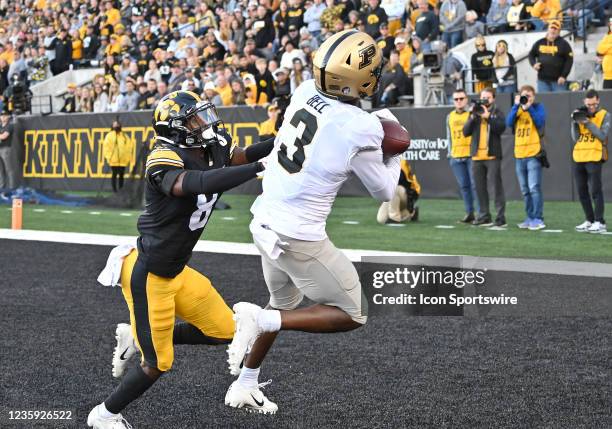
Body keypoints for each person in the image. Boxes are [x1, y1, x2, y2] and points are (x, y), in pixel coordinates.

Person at [223, 29, 401, 414]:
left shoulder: (304, 90)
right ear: (360, 81)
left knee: (282, 302)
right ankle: (258, 320)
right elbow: (385, 192)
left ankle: (246, 381)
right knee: (352, 313)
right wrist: (397, 145)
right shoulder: (361, 126)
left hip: (264, 220)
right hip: (297, 235)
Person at [88, 91, 275, 428]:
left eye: (202, 116)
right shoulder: (162, 156)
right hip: (148, 274)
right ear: (174, 128)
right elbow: (192, 183)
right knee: (157, 363)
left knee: (224, 331)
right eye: (194, 119)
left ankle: (137, 333)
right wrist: (258, 168)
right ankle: (104, 415)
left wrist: (280, 144)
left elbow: (241, 155)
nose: (204, 124)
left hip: (177, 271)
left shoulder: (211, 145)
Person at [463, 87, 507, 227]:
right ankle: (484, 216)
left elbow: (501, 128)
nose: (485, 100)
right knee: (480, 188)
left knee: (496, 187)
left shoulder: (497, 111)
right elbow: (465, 132)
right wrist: (471, 116)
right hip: (476, 156)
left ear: (493, 98)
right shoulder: (475, 111)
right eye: (483, 97)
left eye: (488, 97)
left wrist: (488, 118)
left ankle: (500, 218)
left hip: (492, 155)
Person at [506, 85, 547, 230]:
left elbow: (540, 122)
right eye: (524, 95)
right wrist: (516, 106)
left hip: (533, 153)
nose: (527, 98)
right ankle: (530, 217)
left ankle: (538, 218)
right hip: (519, 154)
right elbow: (509, 123)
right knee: (525, 190)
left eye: (529, 95)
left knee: (534, 187)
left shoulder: (538, 107)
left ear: (534, 96)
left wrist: (529, 107)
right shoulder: (517, 109)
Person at [571, 89, 609, 233]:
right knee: (582, 191)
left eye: (593, 104)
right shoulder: (581, 113)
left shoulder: (605, 115)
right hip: (579, 156)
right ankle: (589, 219)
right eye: (588, 104)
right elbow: (575, 138)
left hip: (594, 156)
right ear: (584, 103)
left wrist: (587, 122)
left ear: (598, 100)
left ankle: (600, 221)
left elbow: (602, 135)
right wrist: (574, 122)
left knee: (595, 190)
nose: (591, 107)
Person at [447, 88, 478, 223]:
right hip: (456, 156)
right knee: (464, 187)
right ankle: (469, 213)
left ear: (466, 100)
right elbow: (448, 136)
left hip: (471, 156)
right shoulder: (449, 116)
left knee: (475, 186)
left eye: (461, 99)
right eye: (456, 99)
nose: (459, 101)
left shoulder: (472, 114)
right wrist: (450, 153)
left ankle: (480, 213)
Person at [528, 21, 573, 92]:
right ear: (548, 29)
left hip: (558, 81)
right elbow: (531, 54)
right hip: (542, 80)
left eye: (555, 29)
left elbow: (569, 61)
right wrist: (533, 64)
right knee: (544, 101)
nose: (553, 30)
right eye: (551, 28)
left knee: (559, 102)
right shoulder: (539, 42)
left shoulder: (564, 44)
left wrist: (564, 76)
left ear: (559, 32)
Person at [376, 159, 421, 224]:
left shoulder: (399, 162)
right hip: (394, 196)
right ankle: (411, 213)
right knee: (381, 219)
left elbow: (397, 182)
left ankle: (394, 218)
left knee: (393, 188)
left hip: (407, 194)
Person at [103, 119, 134, 192]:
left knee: (121, 176)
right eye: (115, 124)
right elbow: (106, 148)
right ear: (112, 126)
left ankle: (121, 190)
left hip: (123, 160)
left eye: (117, 124)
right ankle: (114, 190)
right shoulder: (109, 136)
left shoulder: (124, 136)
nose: (116, 126)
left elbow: (129, 147)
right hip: (113, 160)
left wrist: (127, 158)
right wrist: (109, 157)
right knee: (114, 175)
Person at [596, 18, 612, 89]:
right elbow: (599, 49)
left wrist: (606, 49)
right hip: (607, 76)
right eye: (610, 24)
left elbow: (603, 49)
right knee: (607, 98)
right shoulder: (606, 37)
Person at [0, 110, 13, 189]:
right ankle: (2, 188)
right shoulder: (1, 126)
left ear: (8, 116)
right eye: (1, 115)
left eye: (5, 115)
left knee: (8, 169)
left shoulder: (9, 126)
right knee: (0, 170)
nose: (3, 117)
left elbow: (4, 136)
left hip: (6, 149)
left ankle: (11, 187)